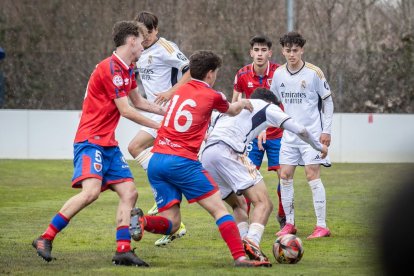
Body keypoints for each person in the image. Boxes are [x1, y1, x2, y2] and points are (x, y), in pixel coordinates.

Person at [32, 21, 166, 267]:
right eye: (141, 39)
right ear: (131, 41)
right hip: (90, 140)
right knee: (91, 192)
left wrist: (165, 113)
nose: (144, 43)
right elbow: (126, 110)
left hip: (107, 144)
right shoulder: (111, 68)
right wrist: (160, 127)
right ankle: (45, 237)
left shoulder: (127, 68)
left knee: (130, 192)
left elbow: (139, 101)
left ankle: (123, 250)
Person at [130, 50, 271, 267]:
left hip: (157, 160)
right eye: (215, 73)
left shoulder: (178, 91)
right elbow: (231, 111)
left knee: (173, 222)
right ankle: (240, 258)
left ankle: (143, 221)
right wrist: (242, 103)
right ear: (210, 74)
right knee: (220, 209)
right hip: (182, 162)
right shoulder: (213, 95)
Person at [201, 88, 328, 262]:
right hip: (229, 151)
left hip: (207, 155)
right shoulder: (267, 107)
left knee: (238, 205)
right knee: (264, 204)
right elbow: (300, 130)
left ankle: (243, 245)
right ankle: (252, 241)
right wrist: (319, 147)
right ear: (272, 102)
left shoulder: (233, 107)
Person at [128, 11, 191, 246]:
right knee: (145, 152)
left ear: (155, 30)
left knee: (138, 148)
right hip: (153, 111)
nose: (143, 38)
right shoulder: (139, 52)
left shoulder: (165, 47)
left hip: (170, 112)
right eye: (139, 34)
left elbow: (191, 68)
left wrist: (171, 92)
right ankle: (173, 220)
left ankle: (167, 200)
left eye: (147, 33)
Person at [270, 31, 334, 239]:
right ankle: (289, 224)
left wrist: (326, 130)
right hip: (289, 137)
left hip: (312, 137)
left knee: (311, 175)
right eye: (288, 51)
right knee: (285, 176)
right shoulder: (278, 74)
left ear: (302, 50)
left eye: (295, 50)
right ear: (282, 51)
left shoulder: (314, 72)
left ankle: (322, 226)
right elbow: (273, 103)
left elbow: (327, 101)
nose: (291, 54)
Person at [232, 35, 286, 229]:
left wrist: (268, 126)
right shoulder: (242, 74)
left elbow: (283, 106)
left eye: (264, 50)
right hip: (252, 136)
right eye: (256, 50)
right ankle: (243, 219)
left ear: (270, 53)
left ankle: (284, 215)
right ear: (251, 52)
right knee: (244, 176)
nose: (260, 54)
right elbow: (235, 104)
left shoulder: (280, 73)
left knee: (284, 176)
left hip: (277, 134)